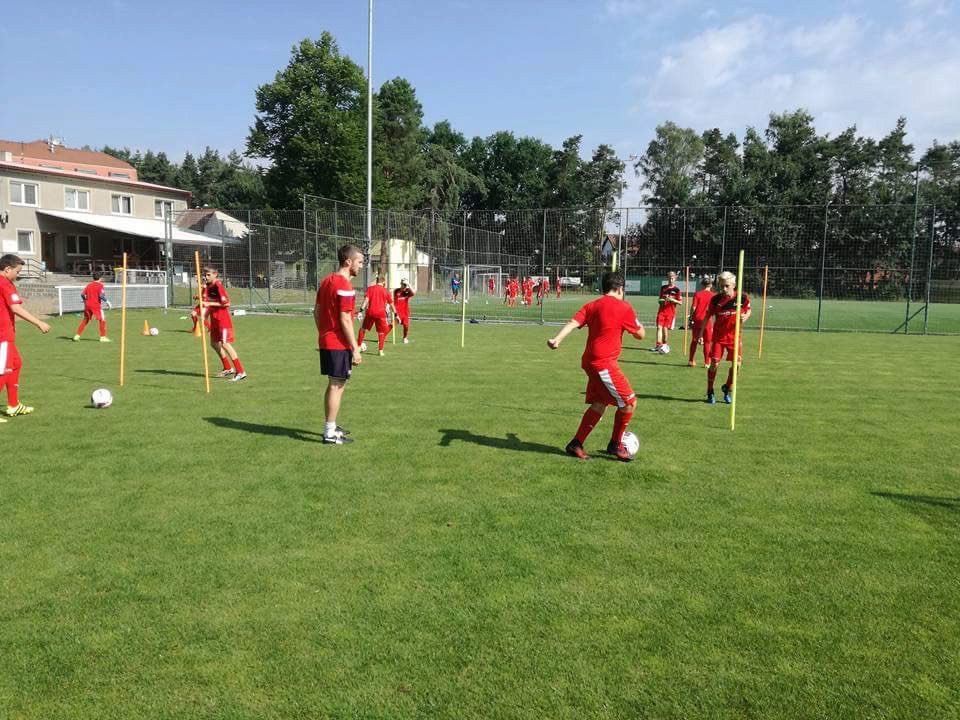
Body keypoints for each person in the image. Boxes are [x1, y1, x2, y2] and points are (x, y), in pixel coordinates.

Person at [547, 271, 645, 462]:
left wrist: (557, 339)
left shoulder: (592, 305)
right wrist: (635, 322)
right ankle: (615, 445)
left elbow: (573, 323)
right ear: (620, 288)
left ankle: (576, 444)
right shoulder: (624, 307)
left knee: (600, 403)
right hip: (603, 363)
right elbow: (641, 334)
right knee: (629, 402)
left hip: (590, 362)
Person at [315, 244, 364, 445]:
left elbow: (316, 312)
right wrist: (355, 347)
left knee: (335, 385)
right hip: (338, 344)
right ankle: (329, 432)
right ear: (348, 262)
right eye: (360, 262)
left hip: (329, 341)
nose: (361, 266)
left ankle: (332, 426)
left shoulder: (326, 281)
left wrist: (323, 334)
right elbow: (345, 319)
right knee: (337, 385)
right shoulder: (344, 285)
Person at [0, 254, 51, 419]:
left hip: (6, 334)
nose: (18, 274)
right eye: (17, 271)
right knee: (4, 371)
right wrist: (39, 323)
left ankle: (14, 405)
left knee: (16, 364)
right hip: (3, 335)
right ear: (7, 269)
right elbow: (15, 308)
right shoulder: (5, 284)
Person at [700, 270, 751, 404]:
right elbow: (707, 317)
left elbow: (748, 310)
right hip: (718, 338)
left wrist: (745, 316)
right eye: (721, 285)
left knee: (737, 366)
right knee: (714, 364)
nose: (723, 288)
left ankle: (727, 387)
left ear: (734, 285)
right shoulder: (715, 299)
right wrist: (700, 334)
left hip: (735, 337)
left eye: (726, 286)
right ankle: (710, 391)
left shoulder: (743, 298)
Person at [201, 266, 246, 381]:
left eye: (208, 275)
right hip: (214, 320)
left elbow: (226, 303)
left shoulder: (218, 286)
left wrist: (209, 304)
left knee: (225, 344)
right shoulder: (208, 286)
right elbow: (208, 303)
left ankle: (240, 371)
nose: (206, 277)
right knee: (214, 344)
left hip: (223, 320)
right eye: (205, 275)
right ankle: (227, 368)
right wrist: (204, 317)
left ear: (215, 275)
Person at [357, 275, 394, 356]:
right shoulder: (386, 291)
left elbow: (366, 300)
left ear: (377, 281)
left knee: (363, 329)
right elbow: (391, 304)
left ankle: (359, 347)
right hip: (381, 313)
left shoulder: (370, 288)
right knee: (381, 332)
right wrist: (396, 313)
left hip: (370, 312)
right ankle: (380, 351)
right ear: (383, 282)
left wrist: (360, 310)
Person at [73, 271, 111, 342]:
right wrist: (107, 301)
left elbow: (82, 294)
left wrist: (84, 300)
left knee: (85, 320)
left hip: (87, 305)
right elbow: (101, 296)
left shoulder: (89, 285)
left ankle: (77, 336)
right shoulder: (100, 285)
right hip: (96, 305)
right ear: (100, 278)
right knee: (102, 319)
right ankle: (103, 337)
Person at [687, 275, 715, 367]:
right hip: (707, 321)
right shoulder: (713, 296)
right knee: (707, 342)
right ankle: (707, 363)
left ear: (702, 285)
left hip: (697, 319)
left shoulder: (698, 294)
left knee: (694, 340)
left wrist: (691, 318)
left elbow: (693, 307)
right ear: (711, 285)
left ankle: (691, 360)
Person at [653, 270, 682, 352]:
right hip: (661, 311)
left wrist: (672, 299)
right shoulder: (663, 288)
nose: (670, 279)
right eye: (669, 278)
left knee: (665, 329)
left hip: (670, 313)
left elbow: (680, 302)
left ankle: (665, 345)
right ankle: (658, 346)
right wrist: (661, 301)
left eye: (672, 278)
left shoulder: (677, 290)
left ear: (675, 278)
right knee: (659, 327)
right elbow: (660, 299)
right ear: (667, 278)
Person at [393, 278, 415, 344]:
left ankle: (405, 337)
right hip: (398, 312)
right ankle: (383, 337)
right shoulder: (396, 291)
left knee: (406, 326)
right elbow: (393, 300)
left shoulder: (408, 291)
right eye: (403, 284)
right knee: (392, 325)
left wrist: (408, 284)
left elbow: (413, 293)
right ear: (401, 284)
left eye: (405, 285)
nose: (405, 286)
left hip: (405, 312)